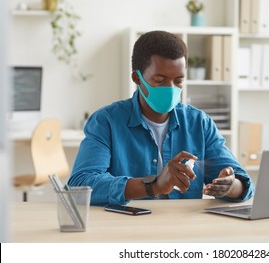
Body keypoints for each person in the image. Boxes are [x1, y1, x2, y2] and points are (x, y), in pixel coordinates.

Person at [68, 30, 254, 206]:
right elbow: (79, 186)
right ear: (137, 78)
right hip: (127, 229)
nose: (170, 88)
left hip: (182, 231)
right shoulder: (106, 121)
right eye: (159, 80)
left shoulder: (199, 123)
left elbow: (242, 182)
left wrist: (231, 186)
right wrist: (153, 185)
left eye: (178, 81)